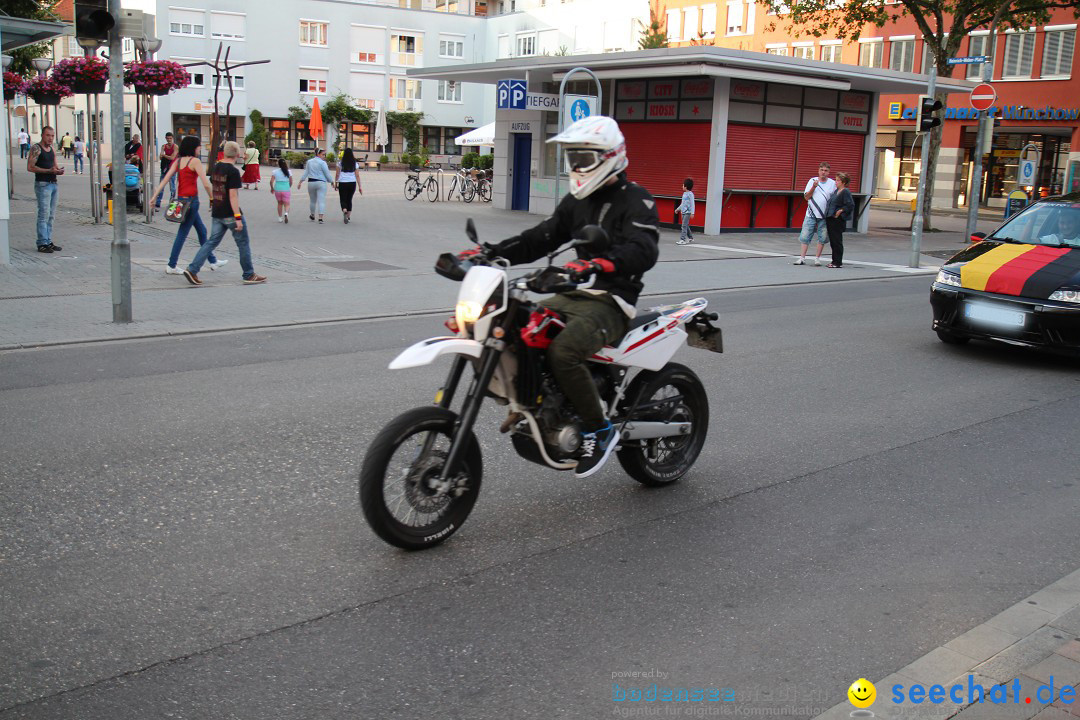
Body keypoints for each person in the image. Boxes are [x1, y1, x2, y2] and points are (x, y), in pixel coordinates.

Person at [461, 115, 659, 478]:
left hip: (612, 301)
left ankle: (600, 430)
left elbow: (643, 249)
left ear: (608, 156)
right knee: (515, 325)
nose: (576, 166)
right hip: (573, 293)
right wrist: (490, 252)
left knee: (564, 351)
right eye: (573, 159)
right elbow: (543, 236)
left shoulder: (637, 201)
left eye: (582, 159)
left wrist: (601, 264)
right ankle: (536, 403)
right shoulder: (575, 201)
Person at [183, 140, 267, 286]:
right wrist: (238, 217)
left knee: (211, 242)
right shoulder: (233, 171)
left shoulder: (216, 167)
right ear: (237, 153)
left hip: (217, 211)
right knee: (243, 243)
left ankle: (192, 269)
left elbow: (213, 184)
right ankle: (249, 274)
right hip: (229, 212)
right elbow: (233, 195)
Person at [151, 135, 227, 275]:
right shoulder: (195, 161)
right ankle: (172, 265)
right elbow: (205, 183)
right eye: (199, 146)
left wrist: (155, 197)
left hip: (181, 200)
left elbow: (165, 179)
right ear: (193, 147)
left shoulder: (178, 161)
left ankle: (212, 260)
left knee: (202, 231)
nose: (200, 149)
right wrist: (212, 198)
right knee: (183, 233)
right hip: (192, 201)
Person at [27, 125, 64, 253]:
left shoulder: (52, 149)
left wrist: (58, 171)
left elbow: (55, 165)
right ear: (42, 135)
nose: (50, 138)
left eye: (52, 136)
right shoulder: (36, 148)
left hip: (53, 183)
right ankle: (42, 242)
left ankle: (48, 240)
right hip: (43, 184)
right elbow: (30, 167)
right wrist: (48, 171)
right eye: (48, 135)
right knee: (44, 214)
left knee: (51, 215)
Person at [794, 161, 836, 266]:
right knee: (805, 236)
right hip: (811, 213)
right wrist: (814, 187)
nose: (823, 172)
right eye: (821, 170)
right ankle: (802, 258)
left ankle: (817, 258)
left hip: (824, 215)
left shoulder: (832, 183)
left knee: (822, 237)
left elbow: (835, 199)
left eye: (826, 171)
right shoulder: (812, 181)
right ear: (818, 171)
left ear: (829, 172)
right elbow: (806, 197)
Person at [825, 172, 854, 268]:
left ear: (843, 182)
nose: (835, 182)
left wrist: (841, 211)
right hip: (831, 218)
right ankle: (834, 261)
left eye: (838, 180)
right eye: (836, 180)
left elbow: (850, 205)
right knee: (833, 241)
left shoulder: (845, 192)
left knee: (837, 241)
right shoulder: (836, 191)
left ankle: (837, 262)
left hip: (837, 220)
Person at [296, 147, 334, 223]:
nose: (324, 156)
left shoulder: (309, 162)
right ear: (318, 154)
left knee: (312, 200)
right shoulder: (323, 163)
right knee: (321, 200)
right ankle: (320, 218)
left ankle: (312, 215)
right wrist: (331, 181)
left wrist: (301, 181)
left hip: (311, 182)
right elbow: (327, 174)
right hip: (321, 183)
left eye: (324, 155)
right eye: (323, 154)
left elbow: (306, 173)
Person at [334, 148, 362, 224]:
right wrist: (360, 187)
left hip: (343, 183)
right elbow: (357, 175)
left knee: (343, 198)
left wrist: (336, 183)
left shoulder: (340, 163)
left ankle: (344, 210)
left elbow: (337, 174)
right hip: (352, 183)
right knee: (349, 199)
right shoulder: (355, 163)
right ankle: (348, 217)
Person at [157, 132, 178, 209]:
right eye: (168, 138)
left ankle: (172, 203)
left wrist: (164, 155)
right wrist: (164, 155)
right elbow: (160, 157)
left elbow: (172, 157)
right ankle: (158, 202)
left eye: (170, 138)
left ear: (172, 138)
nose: (169, 140)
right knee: (161, 185)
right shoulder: (163, 146)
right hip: (165, 168)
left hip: (172, 168)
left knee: (172, 186)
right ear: (165, 138)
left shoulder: (175, 146)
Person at [676, 177, 695, 245]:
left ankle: (682, 239)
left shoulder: (690, 194)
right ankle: (690, 238)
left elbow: (693, 204)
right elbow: (682, 204)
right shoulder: (684, 194)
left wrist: (692, 213)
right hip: (683, 212)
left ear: (686, 187)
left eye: (683, 185)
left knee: (683, 226)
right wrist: (678, 209)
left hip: (688, 212)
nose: (682, 186)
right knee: (685, 225)